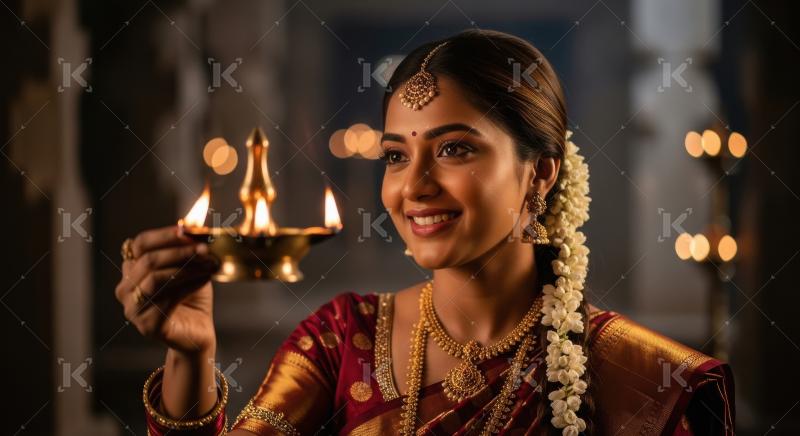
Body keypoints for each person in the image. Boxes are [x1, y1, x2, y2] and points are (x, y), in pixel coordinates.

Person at [114, 29, 734, 435]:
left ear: (540, 173)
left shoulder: (642, 378)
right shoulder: (341, 341)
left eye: (455, 149)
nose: (413, 186)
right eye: (395, 156)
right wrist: (190, 354)